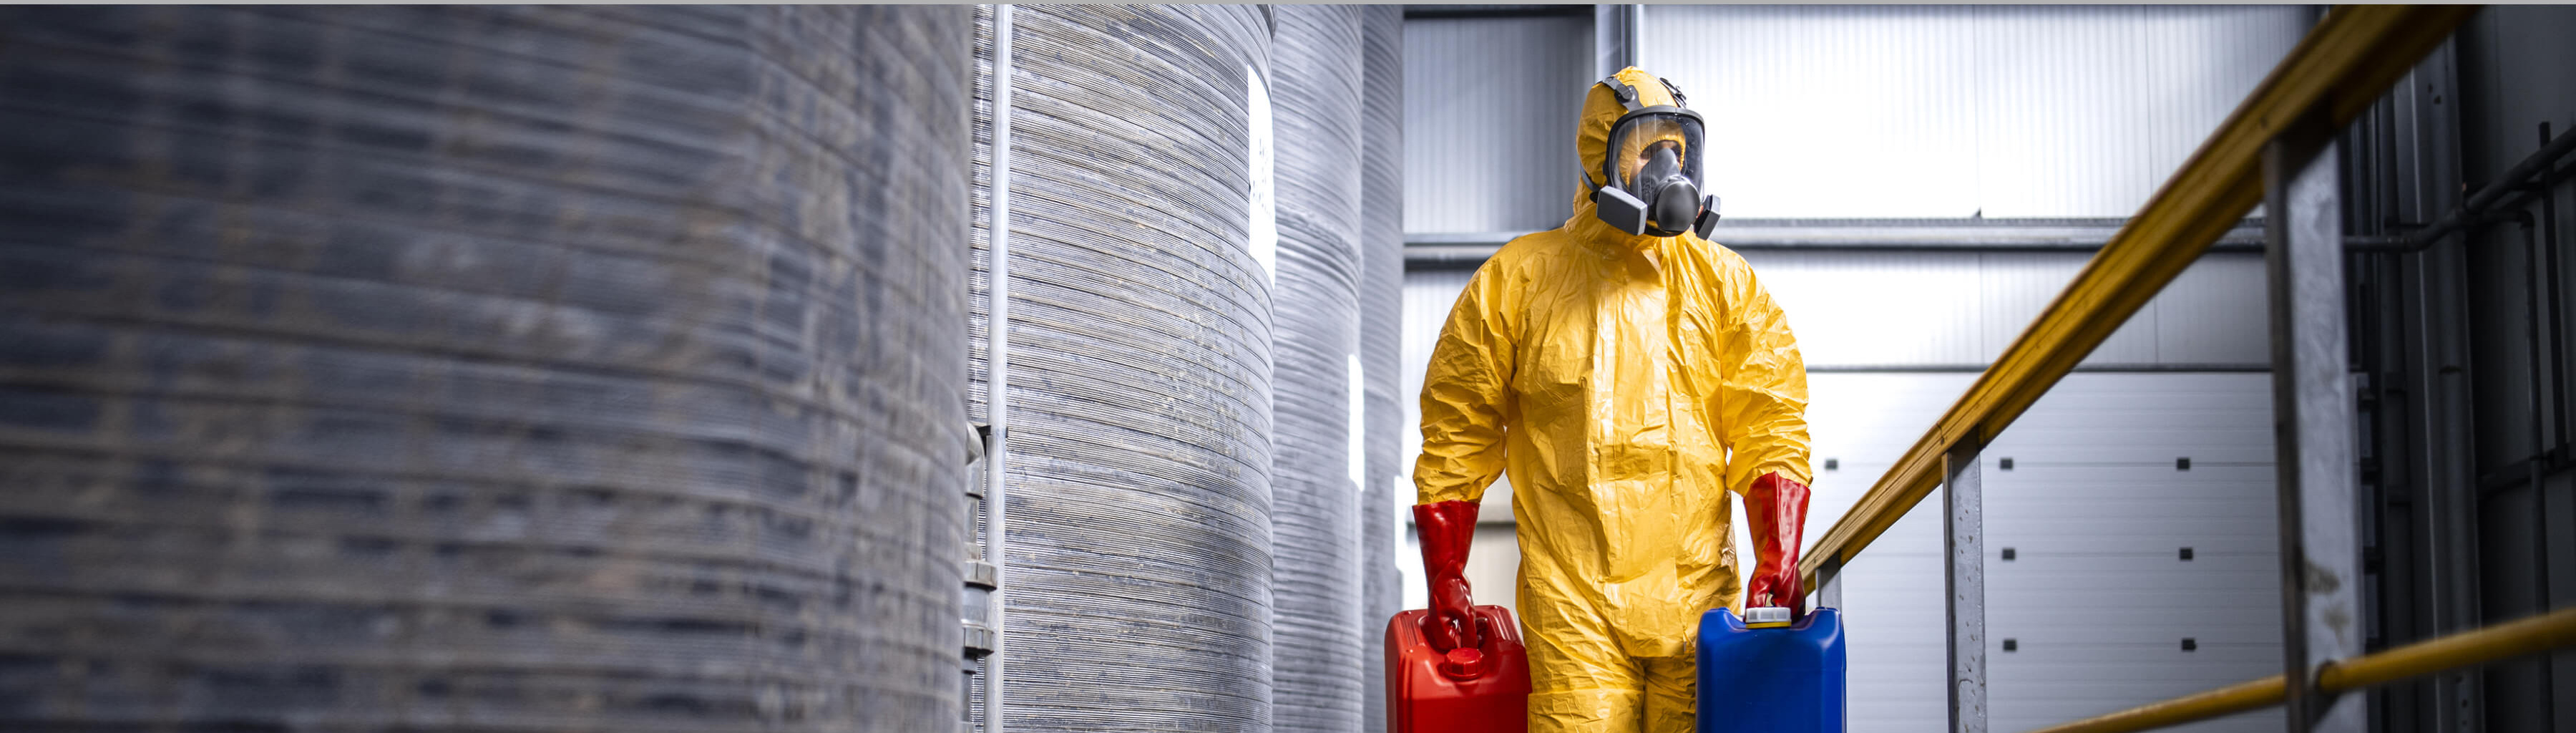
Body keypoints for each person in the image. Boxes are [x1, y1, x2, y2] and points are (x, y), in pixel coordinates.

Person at [1411, 67, 1813, 733]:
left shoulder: (1725, 285)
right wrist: (1446, 575)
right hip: (1574, 609)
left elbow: (1772, 413)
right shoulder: (1519, 280)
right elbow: (1458, 427)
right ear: (1601, 158)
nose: (1663, 168)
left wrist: (1781, 551)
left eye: (1675, 151)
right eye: (1642, 149)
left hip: (1697, 607)